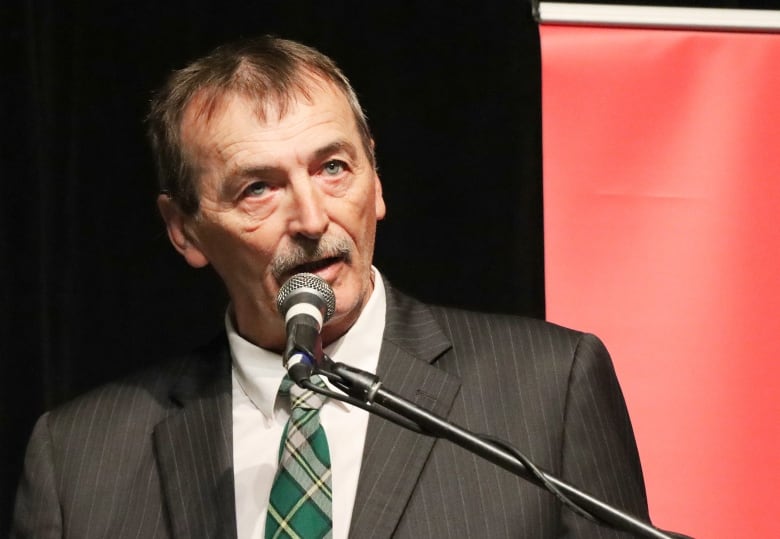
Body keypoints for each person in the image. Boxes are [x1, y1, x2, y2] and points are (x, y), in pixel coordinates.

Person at [12, 36, 650, 538]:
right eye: (258, 187)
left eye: (334, 168)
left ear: (376, 180)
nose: (314, 220)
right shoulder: (78, 460)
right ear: (184, 230)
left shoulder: (549, 389)